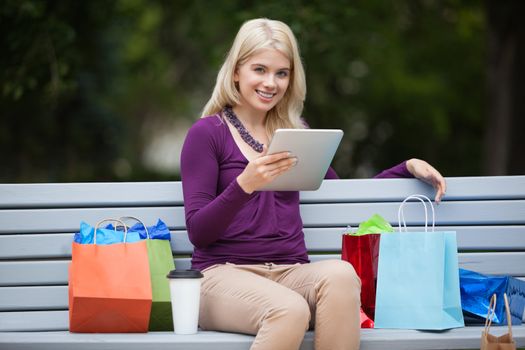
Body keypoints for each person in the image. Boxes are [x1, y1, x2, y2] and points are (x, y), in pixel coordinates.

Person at [180, 18, 446, 350]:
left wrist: (406, 168)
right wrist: (244, 184)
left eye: (281, 73)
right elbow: (199, 231)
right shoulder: (207, 134)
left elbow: (343, 195)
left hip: (290, 272)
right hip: (221, 277)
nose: (270, 83)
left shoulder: (296, 134)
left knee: (342, 275)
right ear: (236, 71)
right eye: (259, 70)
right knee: (289, 310)